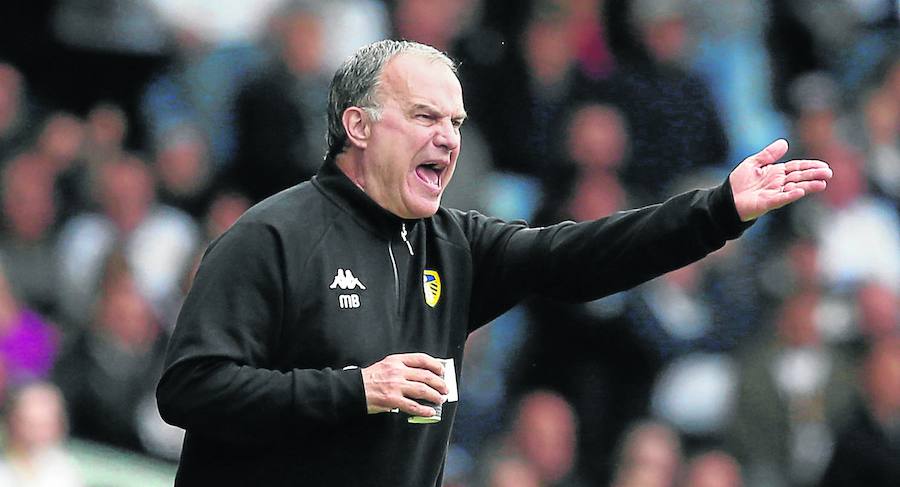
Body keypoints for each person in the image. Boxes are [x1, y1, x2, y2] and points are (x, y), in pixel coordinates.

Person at [156, 39, 833, 486]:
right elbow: (190, 388)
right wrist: (355, 388)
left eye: (455, 122)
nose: (447, 139)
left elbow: (582, 255)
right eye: (425, 116)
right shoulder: (269, 236)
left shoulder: (456, 245)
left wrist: (718, 211)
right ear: (358, 127)